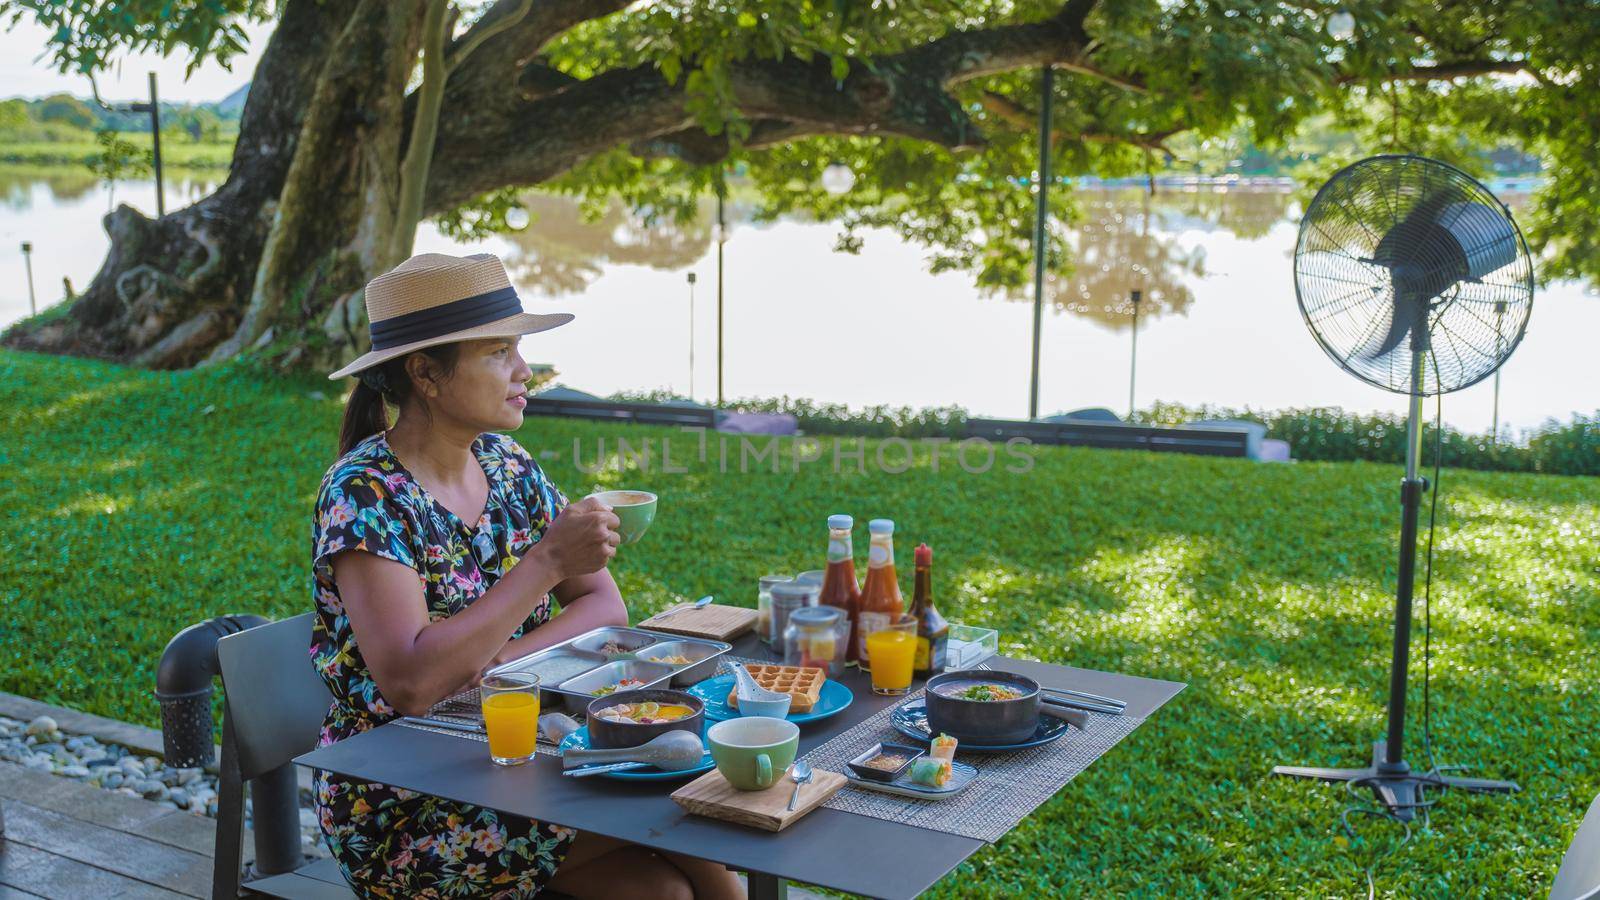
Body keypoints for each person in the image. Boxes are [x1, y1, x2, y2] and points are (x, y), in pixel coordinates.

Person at [310, 252, 743, 899]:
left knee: (673, 887)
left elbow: (604, 608)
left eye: (518, 349)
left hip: (522, 754)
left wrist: (495, 664)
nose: (524, 370)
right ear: (426, 373)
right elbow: (414, 683)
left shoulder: (507, 464)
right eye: (497, 353)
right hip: (407, 800)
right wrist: (544, 565)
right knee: (683, 814)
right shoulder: (366, 493)